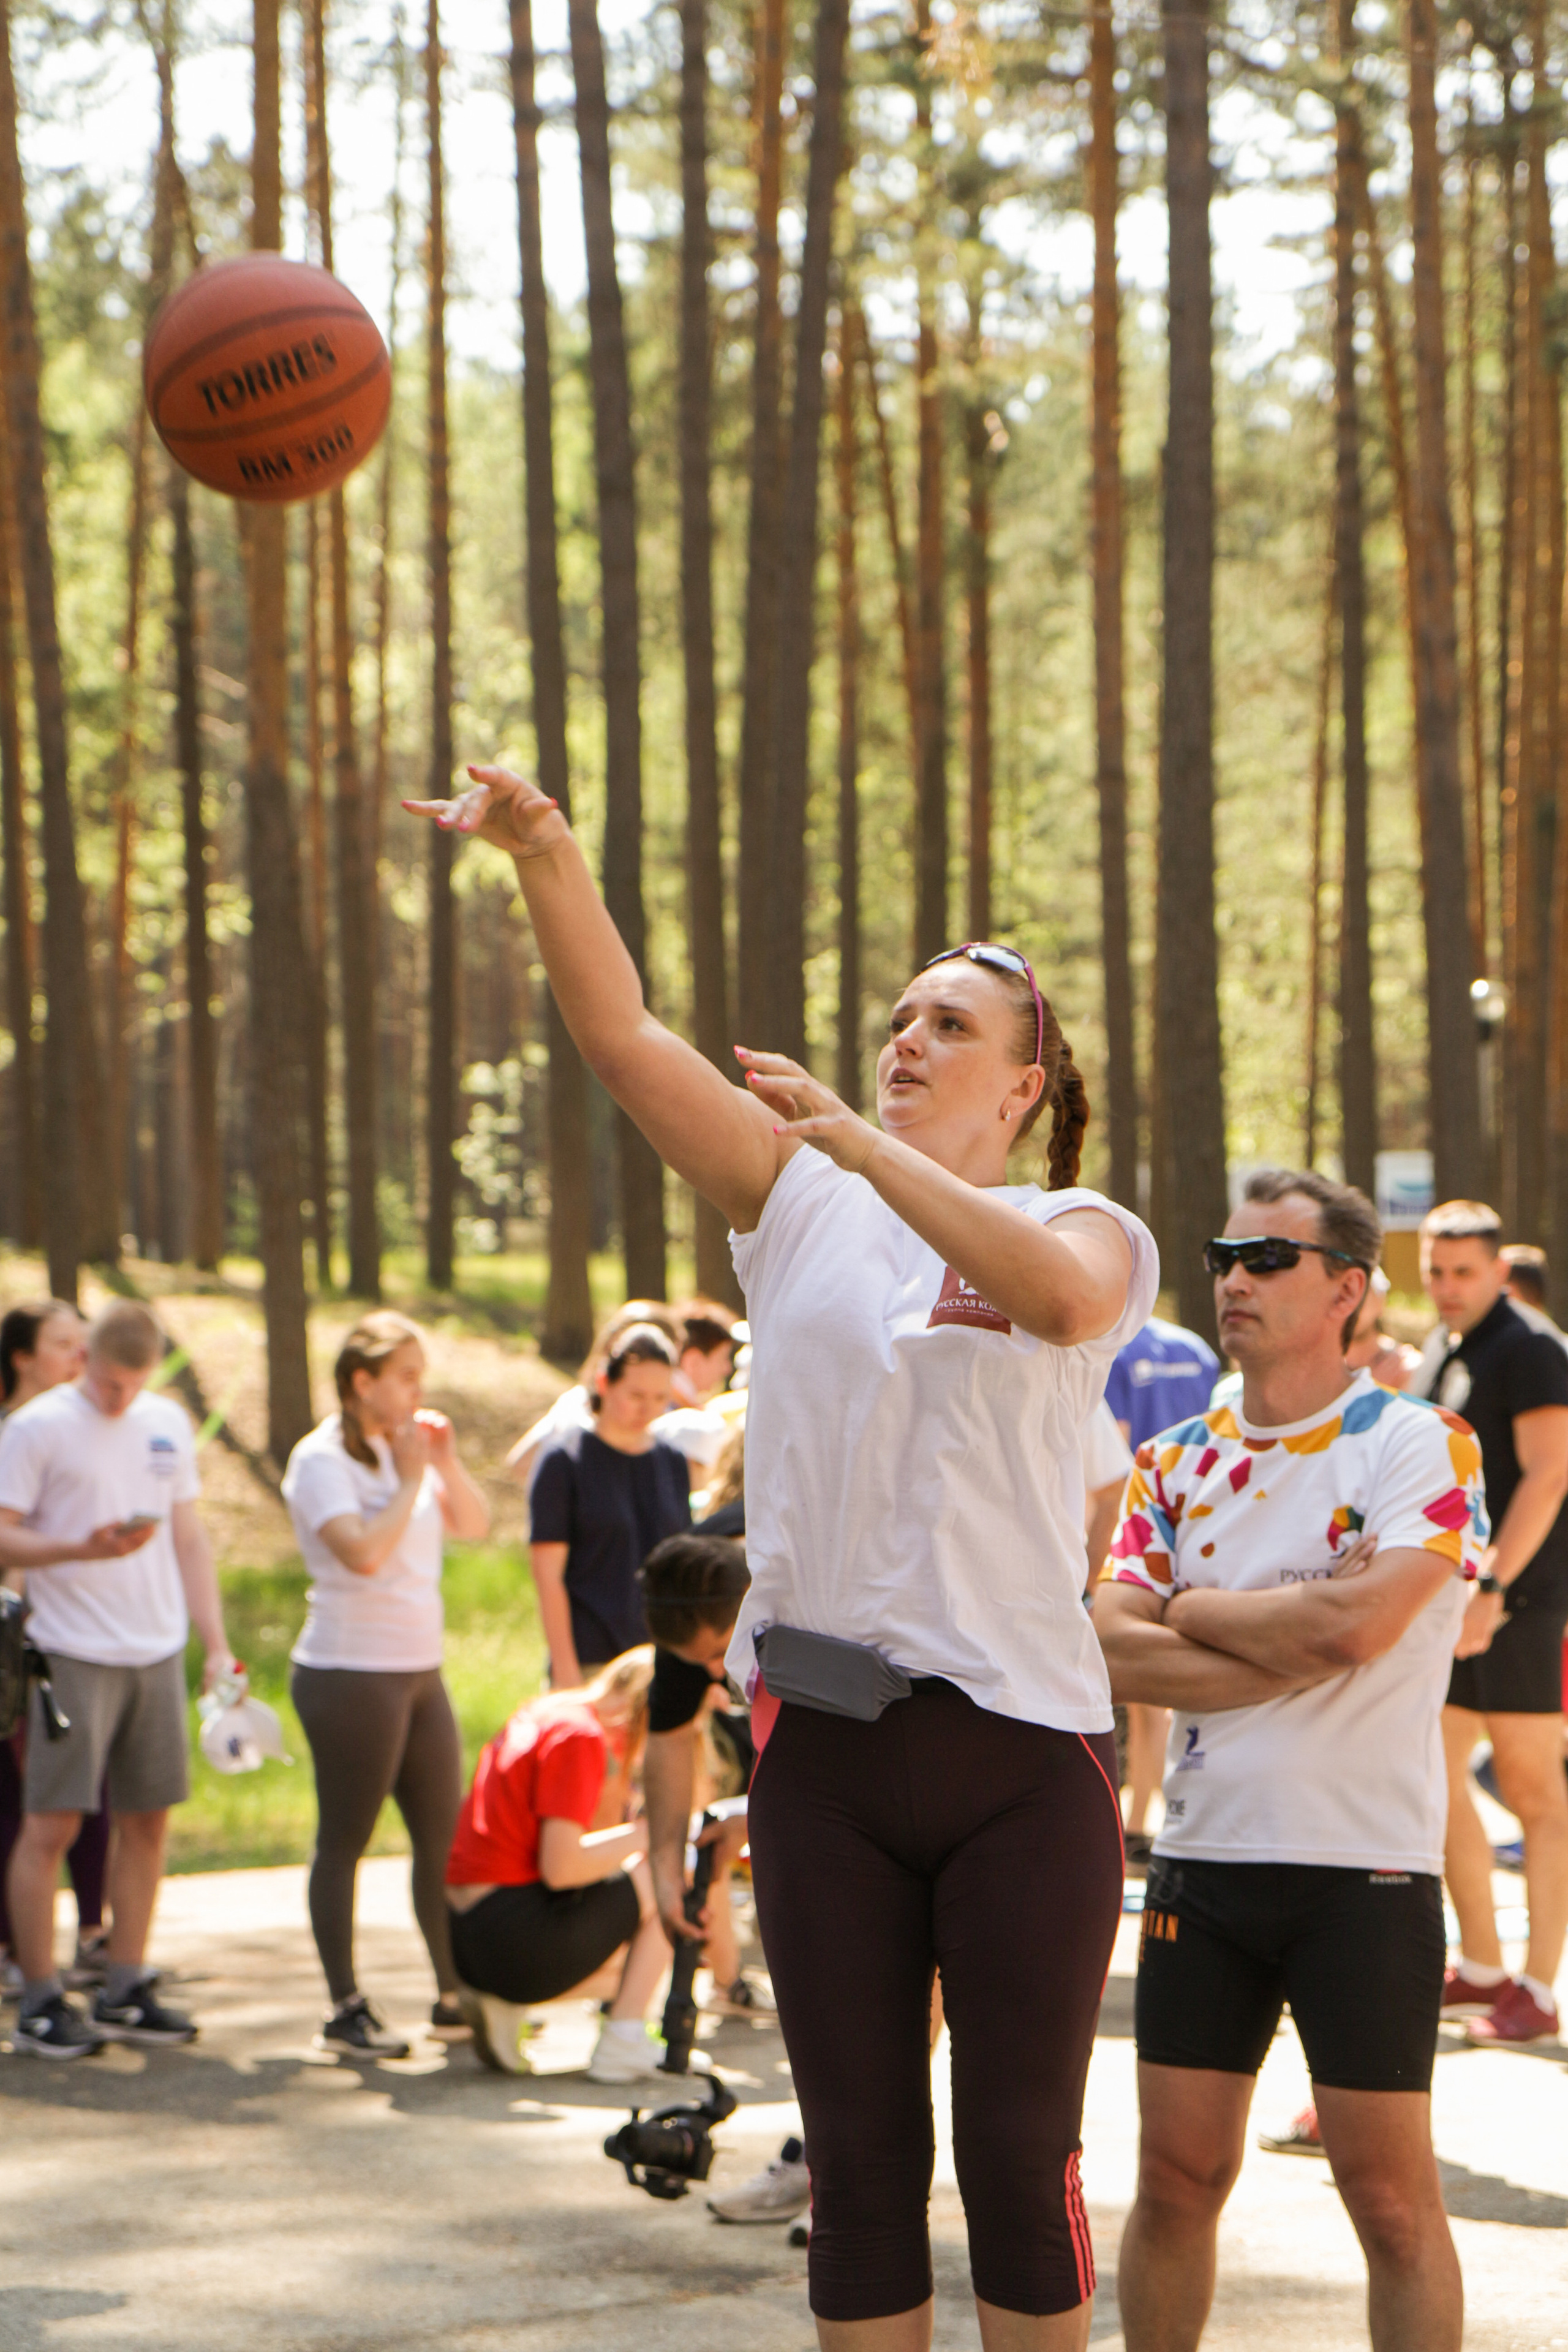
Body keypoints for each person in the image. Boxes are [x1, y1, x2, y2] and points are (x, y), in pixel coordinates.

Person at [407, 764, 1157, 2351]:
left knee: (1017, 2164)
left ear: (1024, 1087)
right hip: (823, 1751)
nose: (907, 1037)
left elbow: (1065, 1303)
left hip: (1023, 1753)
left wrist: (872, 1155)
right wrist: (547, 850)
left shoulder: (1086, 1220)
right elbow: (624, 1042)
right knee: (862, 2176)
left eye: (951, 1025)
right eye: (900, 1013)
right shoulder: (795, 1193)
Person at [1094, 1169, 1489, 2352]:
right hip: (1204, 1867)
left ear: (1349, 1292)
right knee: (1173, 2181)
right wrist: (1295, 1625)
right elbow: (1110, 1643)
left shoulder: (1424, 1442)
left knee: (1389, 2203)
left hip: (1362, 1873)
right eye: (1224, 1255)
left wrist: (1195, 1607)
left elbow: (1361, 1631)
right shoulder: (1169, 1459)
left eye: (1269, 1259)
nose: (1234, 1278)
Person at [0, 1299, 234, 2058]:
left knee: (149, 1818)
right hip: (71, 1650)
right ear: (85, 1362)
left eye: (132, 1384)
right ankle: (40, 1997)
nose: (118, 1398)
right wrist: (79, 1549)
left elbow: (190, 1540)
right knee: (54, 1823)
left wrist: (216, 1642)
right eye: (106, 1382)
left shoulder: (165, 1423)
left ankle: (125, 1984)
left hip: (156, 1650)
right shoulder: (36, 1428)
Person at [282, 1311, 491, 2058]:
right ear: (360, 1382)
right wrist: (408, 1480)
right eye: (404, 1376)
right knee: (345, 1839)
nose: (416, 1391)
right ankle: (345, 2006)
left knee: (442, 1841)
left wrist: (444, 1463)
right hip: (348, 1672)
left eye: (420, 1377)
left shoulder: (411, 1451)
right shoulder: (320, 1462)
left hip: (418, 1670)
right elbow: (364, 1555)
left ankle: (451, 1993)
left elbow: (474, 1524)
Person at [1411, 1199, 1568, 2045]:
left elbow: (1548, 1477)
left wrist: (1499, 1586)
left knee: (1535, 1793)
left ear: (1500, 1271)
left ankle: (1539, 1990)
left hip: (1523, 1602)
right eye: (1436, 1271)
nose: (1446, 1287)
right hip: (1455, 1602)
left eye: (1464, 1272)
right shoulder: (1445, 1346)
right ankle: (1479, 1965)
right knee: (1431, 1784)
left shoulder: (1533, 1348)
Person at [445, 1646, 669, 2083]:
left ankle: (507, 2003)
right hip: (510, 1943)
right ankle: (623, 2042)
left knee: (637, 1935)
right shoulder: (580, 1738)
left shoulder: (546, 1713)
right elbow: (562, 1868)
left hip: (467, 1937)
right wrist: (652, 1833)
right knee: (672, 1873)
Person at [0, 1300, 113, 2001]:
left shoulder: (95, 1431)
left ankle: (95, 1935)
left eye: (85, 1342)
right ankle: (18, 1948)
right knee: (19, 1791)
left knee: (91, 1785)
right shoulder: (14, 1435)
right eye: (64, 1343)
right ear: (22, 1356)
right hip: (17, 1637)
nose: (80, 1355)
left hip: (82, 1634)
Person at [527, 1322, 691, 1689]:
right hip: (591, 1660)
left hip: (660, 1661)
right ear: (604, 1383)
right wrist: (566, 1671)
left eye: (660, 1396)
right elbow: (547, 1576)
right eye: (636, 1395)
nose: (648, 1408)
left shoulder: (673, 1461)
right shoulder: (564, 1461)